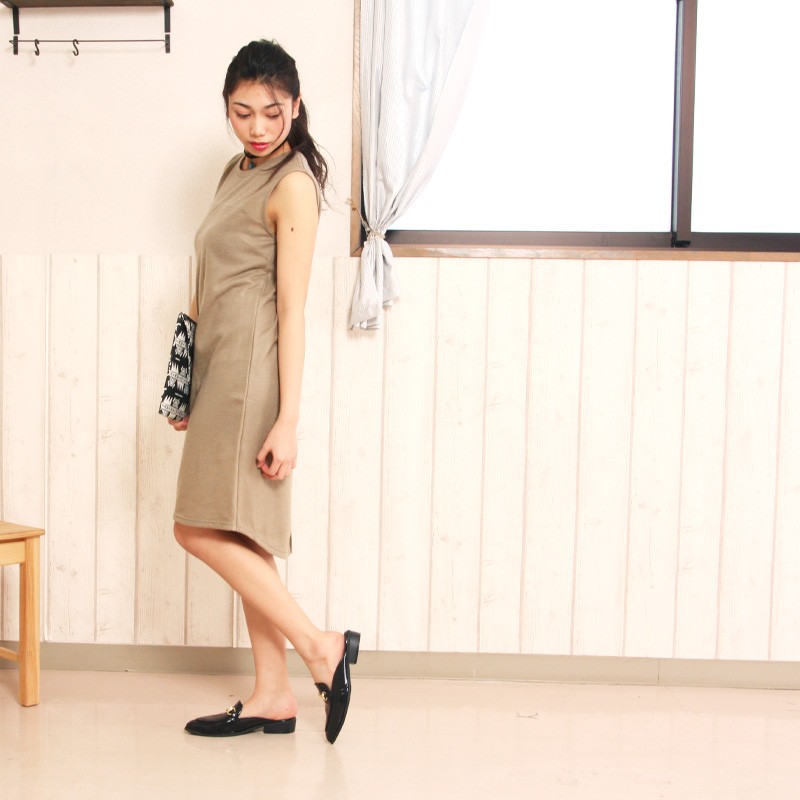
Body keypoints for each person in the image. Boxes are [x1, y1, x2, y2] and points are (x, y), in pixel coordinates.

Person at [167, 39, 359, 744]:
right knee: (244, 532)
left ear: (296, 107)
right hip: (217, 370)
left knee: (194, 528)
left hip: (250, 378)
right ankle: (274, 694)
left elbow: (292, 309)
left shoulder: (292, 185)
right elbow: (204, 284)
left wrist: (288, 420)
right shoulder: (235, 170)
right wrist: (181, 384)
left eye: (272, 113)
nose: (257, 127)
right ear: (227, 109)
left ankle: (319, 647)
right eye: (242, 112)